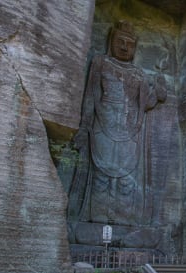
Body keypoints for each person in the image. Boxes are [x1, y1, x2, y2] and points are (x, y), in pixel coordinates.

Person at [70, 20, 166, 226]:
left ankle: (123, 223)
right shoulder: (101, 63)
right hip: (102, 125)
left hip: (131, 130)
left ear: (135, 47)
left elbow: (144, 104)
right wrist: (84, 127)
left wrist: (157, 94)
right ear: (111, 41)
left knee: (126, 181)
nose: (124, 46)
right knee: (101, 176)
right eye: (119, 41)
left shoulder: (138, 74)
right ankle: (96, 221)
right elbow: (90, 97)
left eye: (129, 43)